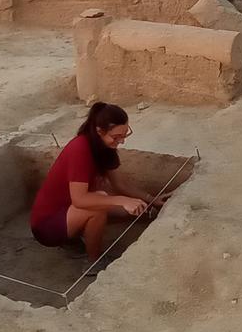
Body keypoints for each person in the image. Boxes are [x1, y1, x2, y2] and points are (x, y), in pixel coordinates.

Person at [30, 102, 169, 260]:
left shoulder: (104, 148)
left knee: (133, 207)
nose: (122, 141)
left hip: (70, 210)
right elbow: (80, 199)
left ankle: (75, 238)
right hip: (47, 225)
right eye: (116, 137)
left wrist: (151, 200)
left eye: (125, 134)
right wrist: (122, 200)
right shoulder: (80, 149)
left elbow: (120, 184)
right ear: (99, 131)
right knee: (99, 208)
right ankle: (93, 262)